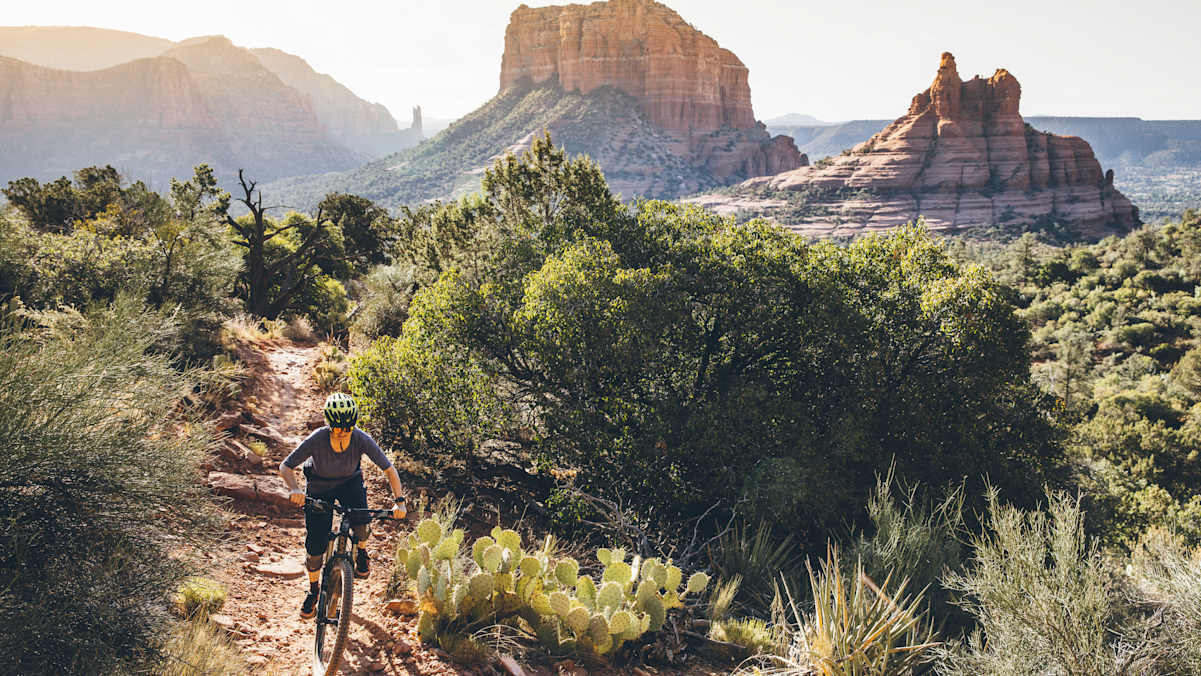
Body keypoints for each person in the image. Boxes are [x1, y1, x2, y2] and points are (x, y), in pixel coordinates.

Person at [279, 392, 406, 619]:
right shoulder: (318, 439)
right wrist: (294, 489)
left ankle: (362, 552)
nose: (343, 431)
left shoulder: (360, 438)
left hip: (350, 483)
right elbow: (286, 466)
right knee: (316, 543)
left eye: (347, 426)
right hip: (319, 487)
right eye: (338, 427)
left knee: (362, 521)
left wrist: (399, 502)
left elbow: (389, 469)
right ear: (330, 424)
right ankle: (314, 589)